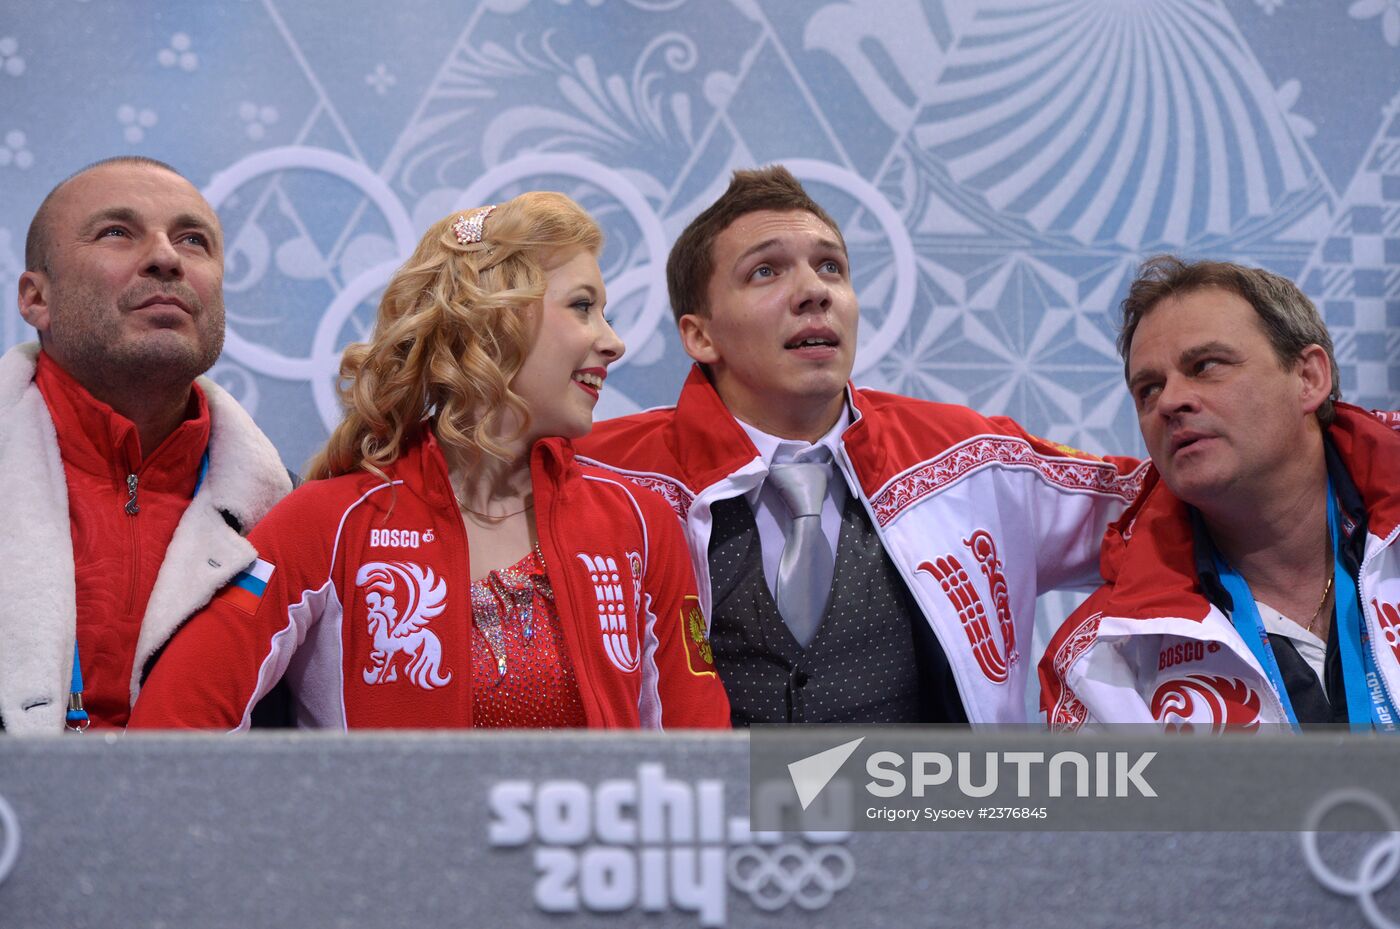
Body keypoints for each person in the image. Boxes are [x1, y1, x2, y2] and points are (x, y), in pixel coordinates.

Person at [130, 192, 731, 730]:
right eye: (582, 306)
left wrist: (815, 802)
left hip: (593, 857)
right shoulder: (329, 523)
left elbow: (703, 758)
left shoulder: (643, 523)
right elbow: (173, 728)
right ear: (495, 318)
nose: (613, 341)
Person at [575, 166, 1144, 725]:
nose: (813, 292)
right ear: (700, 335)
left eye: (831, 267)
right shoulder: (599, 476)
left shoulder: (970, 460)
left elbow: (1173, 504)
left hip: (927, 814)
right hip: (694, 814)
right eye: (766, 271)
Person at [1040, 257, 1400, 731]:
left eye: (1205, 366)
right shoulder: (1105, 657)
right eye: (1148, 389)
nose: (1170, 402)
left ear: (1309, 377)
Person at [2, 156, 292, 734]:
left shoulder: (290, 520)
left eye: (193, 240)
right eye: (117, 232)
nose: (166, 258)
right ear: (36, 299)